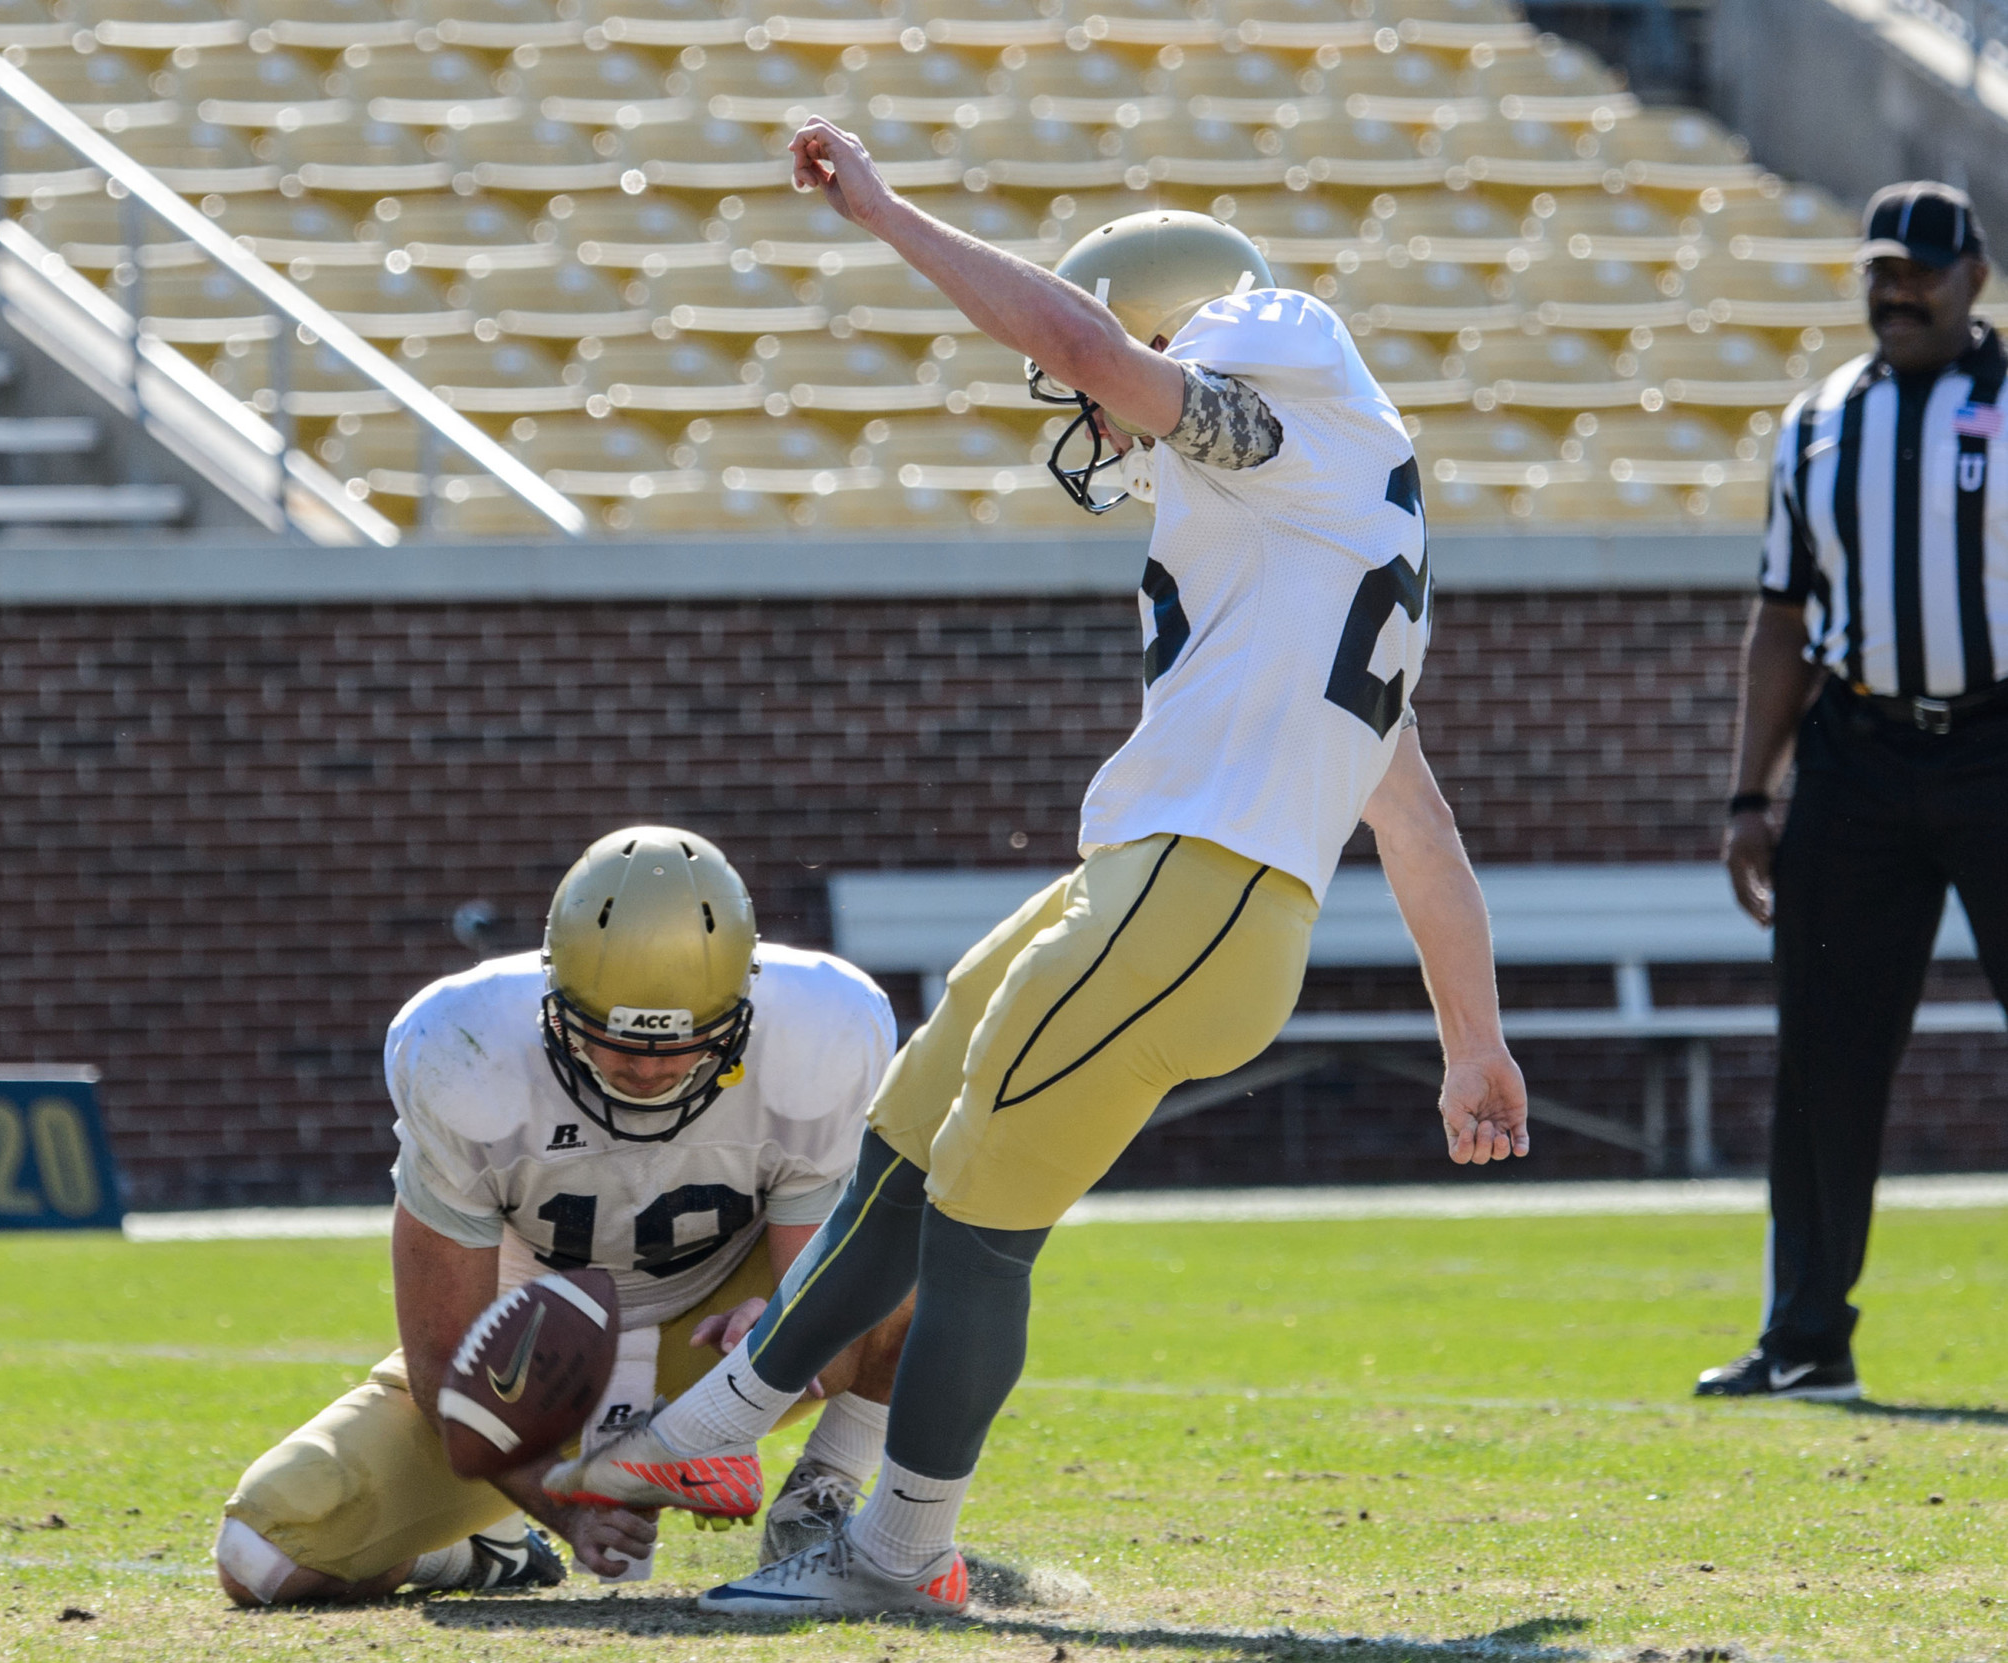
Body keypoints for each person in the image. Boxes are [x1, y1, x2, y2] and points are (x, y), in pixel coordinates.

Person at [543, 119, 1532, 1619]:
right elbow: (1417, 822)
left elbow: (1089, 342)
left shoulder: (1278, 358)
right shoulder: (1311, 529)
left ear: (1176, 326)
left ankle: (898, 1550)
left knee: (981, 1212)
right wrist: (1474, 1041)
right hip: (1173, 890)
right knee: (915, 1118)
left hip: (1195, 894)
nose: (1088, 413)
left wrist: (886, 215)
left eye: (1103, 380)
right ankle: (696, 1440)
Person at [213, 825, 911, 1602]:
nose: (646, 1068)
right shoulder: (462, 1047)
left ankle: (822, 1506)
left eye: (687, 1042)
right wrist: (562, 1503)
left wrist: (782, 1329)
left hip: (716, 1332)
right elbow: (444, 1355)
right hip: (531, 1360)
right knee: (265, 1554)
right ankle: (482, 1553)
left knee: (917, 1208)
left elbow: (842, 1334)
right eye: (611, 1038)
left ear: (743, 1004)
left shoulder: (823, 1031)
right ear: (554, 995)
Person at [1703, 180, 2008, 1403]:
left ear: (1974, 276)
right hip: (1858, 754)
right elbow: (1782, 616)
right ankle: (1805, 1334)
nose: (1899, 290)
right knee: (1822, 1048)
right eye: (1883, 270)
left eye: (1922, 270)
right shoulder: (1818, 420)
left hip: (1999, 744)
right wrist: (1748, 796)